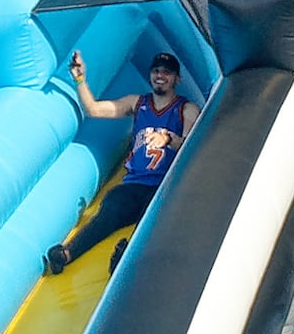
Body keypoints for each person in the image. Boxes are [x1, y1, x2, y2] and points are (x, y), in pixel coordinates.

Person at [44, 50, 200, 275]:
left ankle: (126, 259)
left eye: (167, 72)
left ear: (177, 79)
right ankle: (66, 254)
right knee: (110, 211)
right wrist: (79, 80)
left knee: (153, 221)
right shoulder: (137, 103)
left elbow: (189, 145)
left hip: (165, 186)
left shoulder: (186, 109)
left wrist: (167, 138)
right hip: (133, 186)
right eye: (156, 71)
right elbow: (94, 109)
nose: (160, 76)